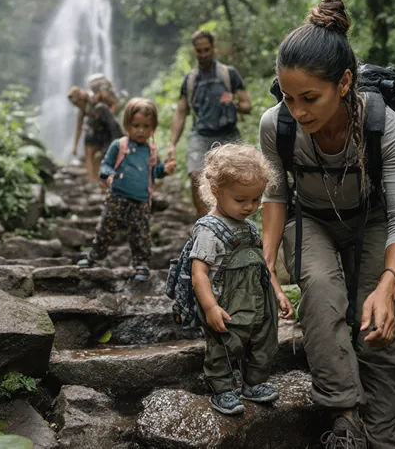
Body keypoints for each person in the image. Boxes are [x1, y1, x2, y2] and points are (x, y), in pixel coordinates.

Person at [259, 0, 395, 448]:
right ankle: (345, 418)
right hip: (311, 223)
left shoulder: (381, 126)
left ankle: (386, 436)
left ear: (344, 83)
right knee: (323, 296)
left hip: (372, 221)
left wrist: (388, 284)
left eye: (310, 98)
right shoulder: (277, 127)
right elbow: (275, 193)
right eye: (288, 98)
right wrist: (268, 262)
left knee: (376, 321)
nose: (298, 111)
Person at [188, 143, 295, 415]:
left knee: (264, 340)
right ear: (215, 191)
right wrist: (211, 307)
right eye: (240, 200)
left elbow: (261, 263)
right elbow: (199, 273)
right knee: (226, 344)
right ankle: (222, 389)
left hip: (259, 298)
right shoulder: (209, 231)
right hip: (227, 300)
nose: (250, 207)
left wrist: (279, 293)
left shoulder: (248, 226)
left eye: (256, 200)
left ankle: (254, 383)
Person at [76, 98, 176, 281]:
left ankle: (141, 265)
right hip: (117, 196)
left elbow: (153, 172)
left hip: (141, 201)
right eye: (136, 125)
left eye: (146, 126)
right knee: (105, 228)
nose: (141, 130)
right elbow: (106, 164)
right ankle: (95, 256)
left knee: (141, 233)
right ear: (126, 124)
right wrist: (108, 174)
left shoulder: (151, 151)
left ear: (153, 127)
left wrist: (165, 170)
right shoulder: (119, 145)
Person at [167, 30, 252, 217]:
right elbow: (181, 111)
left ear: (213, 49)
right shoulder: (190, 80)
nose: (203, 54)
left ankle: (232, 221)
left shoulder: (228, 74)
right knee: (197, 176)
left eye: (206, 50)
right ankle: (204, 221)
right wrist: (172, 143)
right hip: (201, 134)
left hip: (228, 134)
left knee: (233, 180)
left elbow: (248, 105)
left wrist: (235, 103)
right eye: (199, 51)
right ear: (194, 51)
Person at [68, 77, 123, 184]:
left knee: (105, 153)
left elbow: (115, 105)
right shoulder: (82, 109)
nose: (76, 105)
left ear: (80, 97)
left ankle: (107, 177)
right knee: (89, 152)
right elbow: (78, 127)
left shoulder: (99, 96)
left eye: (76, 102)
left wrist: (107, 117)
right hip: (95, 131)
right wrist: (75, 146)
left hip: (108, 129)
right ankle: (92, 179)